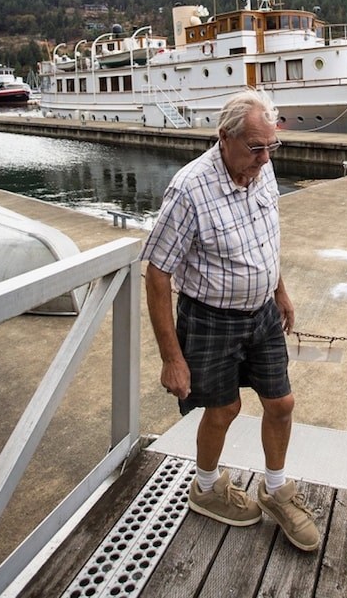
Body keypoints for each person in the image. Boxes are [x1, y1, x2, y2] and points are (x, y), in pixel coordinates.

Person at [141, 88, 319, 552]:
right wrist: (170, 358)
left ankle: (275, 488)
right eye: (255, 148)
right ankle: (206, 488)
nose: (264, 158)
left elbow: (267, 235)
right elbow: (157, 273)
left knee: (281, 404)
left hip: (260, 313)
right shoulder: (189, 188)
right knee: (224, 410)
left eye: (271, 146)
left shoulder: (262, 167)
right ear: (224, 138)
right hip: (210, 319)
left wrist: (278, 290)